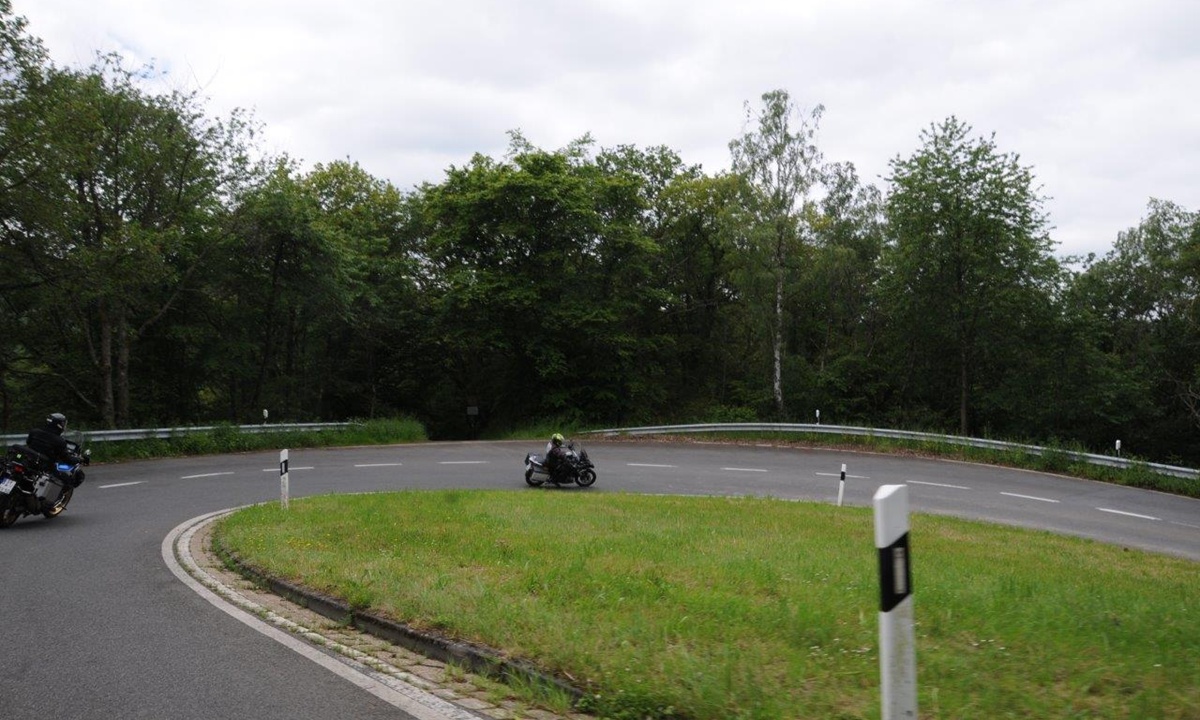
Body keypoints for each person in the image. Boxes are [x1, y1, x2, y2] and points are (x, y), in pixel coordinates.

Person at [24, 412, 86, 487]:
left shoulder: (34, 432)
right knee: (68, 480)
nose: (64, 426)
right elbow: (66, 458)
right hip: (44, 466)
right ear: (59, 425)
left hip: (29, 460)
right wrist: (79, 459)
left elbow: (28, 443)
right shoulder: (59, 441)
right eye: (63, 423)